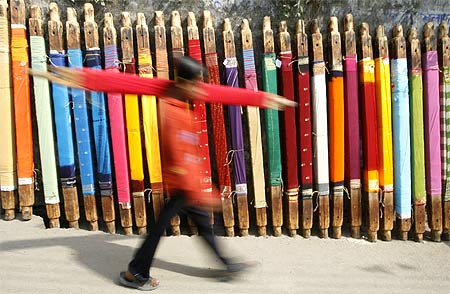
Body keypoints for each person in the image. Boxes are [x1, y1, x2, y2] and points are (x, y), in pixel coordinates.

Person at [118, 57, 252, 291]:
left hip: (187, 183)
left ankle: (226, 263)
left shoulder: (180, 102)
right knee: (161, 228)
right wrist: (205, 192)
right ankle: (136, 272)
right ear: (182, 83)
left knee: (200, 224)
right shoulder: (172, 112)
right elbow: (179, 159)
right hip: (182, 184)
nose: (200, 89)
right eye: (196, 84)